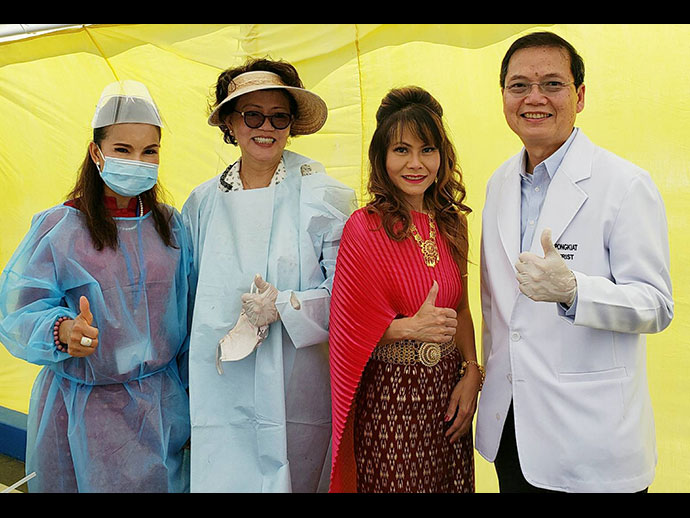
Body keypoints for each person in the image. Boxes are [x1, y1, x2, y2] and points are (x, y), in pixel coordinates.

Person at [476, 31, 674, 493]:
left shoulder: (624, 184)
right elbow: (495, 308)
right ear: (503, 96)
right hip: (511, 431)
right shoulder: (499, 182)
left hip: (591, 440)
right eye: (519, 85)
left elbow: (656, 305)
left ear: (580, 96)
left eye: (552, 84)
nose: (534, 98)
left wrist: (575, 292)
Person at [0, 80, 192, 493]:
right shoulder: (60, 228)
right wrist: (63, 330)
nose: (137, 161)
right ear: (96, 152)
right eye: (123, 149)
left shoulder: (171, 227)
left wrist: (192, 396)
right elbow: (20, 310)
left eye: (150, 151)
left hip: (159, 405)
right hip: (82, 411)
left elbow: (189, 313)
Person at [182, 58, 356, 493]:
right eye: (252, 115)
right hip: (219, 383)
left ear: (292, 125)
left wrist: (286, 306)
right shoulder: (201, 204)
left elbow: (348, 294)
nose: (266, 127)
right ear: (229, 122)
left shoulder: (324, 195)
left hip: (297, 379)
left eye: (279, 117)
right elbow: (185, 296)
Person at [328, 86, 482, 493]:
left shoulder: (453, 223)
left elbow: (462, 310)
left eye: (427, 150)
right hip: (389, 399)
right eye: (401, 150)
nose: (416, 164)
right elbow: (344, 331)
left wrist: (472, 372)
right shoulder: (364, 227)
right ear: (382, 157)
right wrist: (407, 328)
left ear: (442, 156)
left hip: (448, 395)